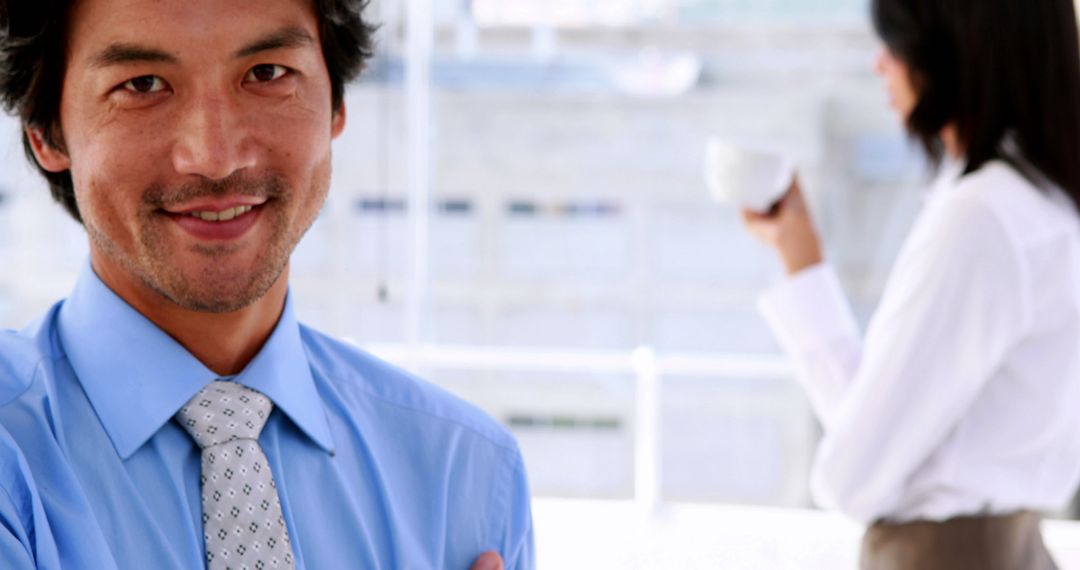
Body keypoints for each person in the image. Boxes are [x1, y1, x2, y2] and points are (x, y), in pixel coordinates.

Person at [0, 0, 530, 568]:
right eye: (143, 84)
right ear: (45, 131)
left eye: (267, 74)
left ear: (336, 104)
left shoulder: (465, 474)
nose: (216, 158)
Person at [742, 0, 1080, 568]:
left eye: (896, 44)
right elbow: (879, 437)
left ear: (953, 52)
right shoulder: (1047, 205)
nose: (880, 64)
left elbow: (853, 475)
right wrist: (800, 255)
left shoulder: (983, 218)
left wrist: (802, 266)